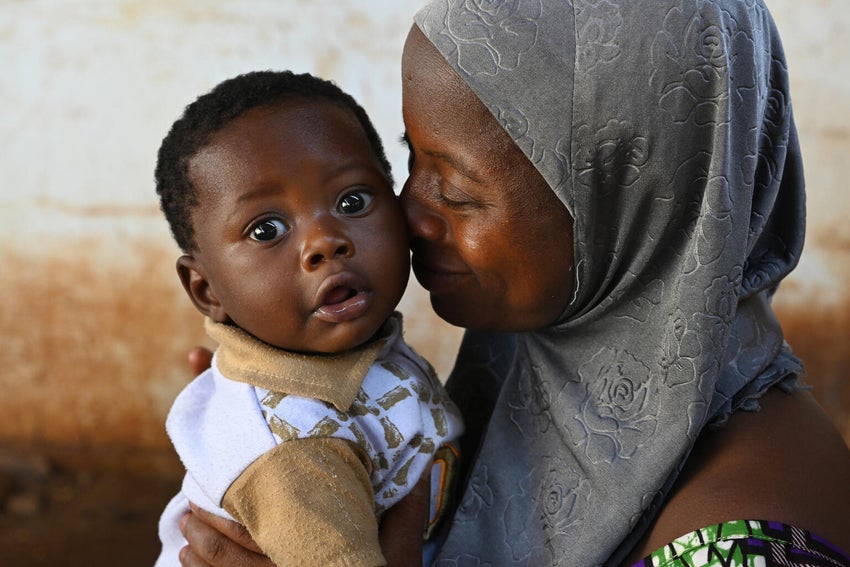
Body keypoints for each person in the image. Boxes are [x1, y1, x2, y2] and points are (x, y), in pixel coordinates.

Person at [175, 1, 850, 566]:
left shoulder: (746, 538)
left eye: (460, 193)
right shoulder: (527, 386)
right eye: (413, 160)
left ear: (631, 200)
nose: (408, 212)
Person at [153, 70, 464, 567]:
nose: (325, 241)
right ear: (208, 290)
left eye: (352, 201)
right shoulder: (298, 452)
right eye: (266, 229)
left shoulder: (347, 359)